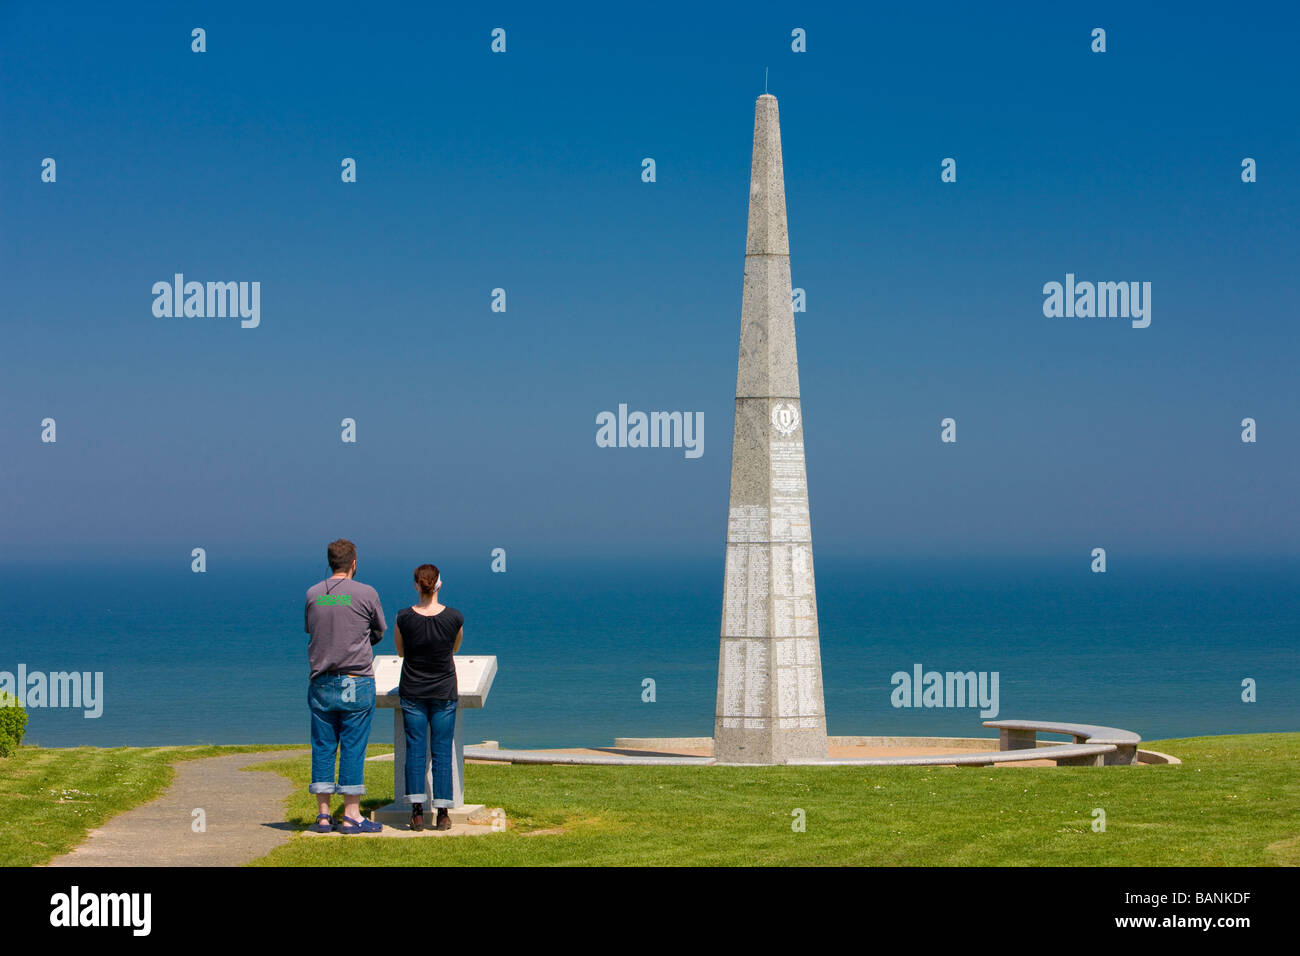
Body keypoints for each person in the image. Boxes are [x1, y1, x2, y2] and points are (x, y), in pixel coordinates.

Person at [304, 538, 385, 834]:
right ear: (354, 562)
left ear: (329, 562)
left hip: (322, 681)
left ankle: (323, 816)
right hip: (356, 680)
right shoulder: (366, 593)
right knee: (352, 746)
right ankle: (352, 814)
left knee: (323, 746)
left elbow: (312, 628)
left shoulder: (314, 594)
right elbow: (379, 630)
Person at [393, 563, 464, 831]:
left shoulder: (403, 617)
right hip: (444, 691)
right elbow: (454, 647)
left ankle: (417, 813)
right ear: (438, 584)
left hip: (413, 691)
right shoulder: (455, 617)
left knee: (415, 750)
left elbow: (401, 652)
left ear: (416, 585)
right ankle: (443, 812)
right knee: (442, 751)